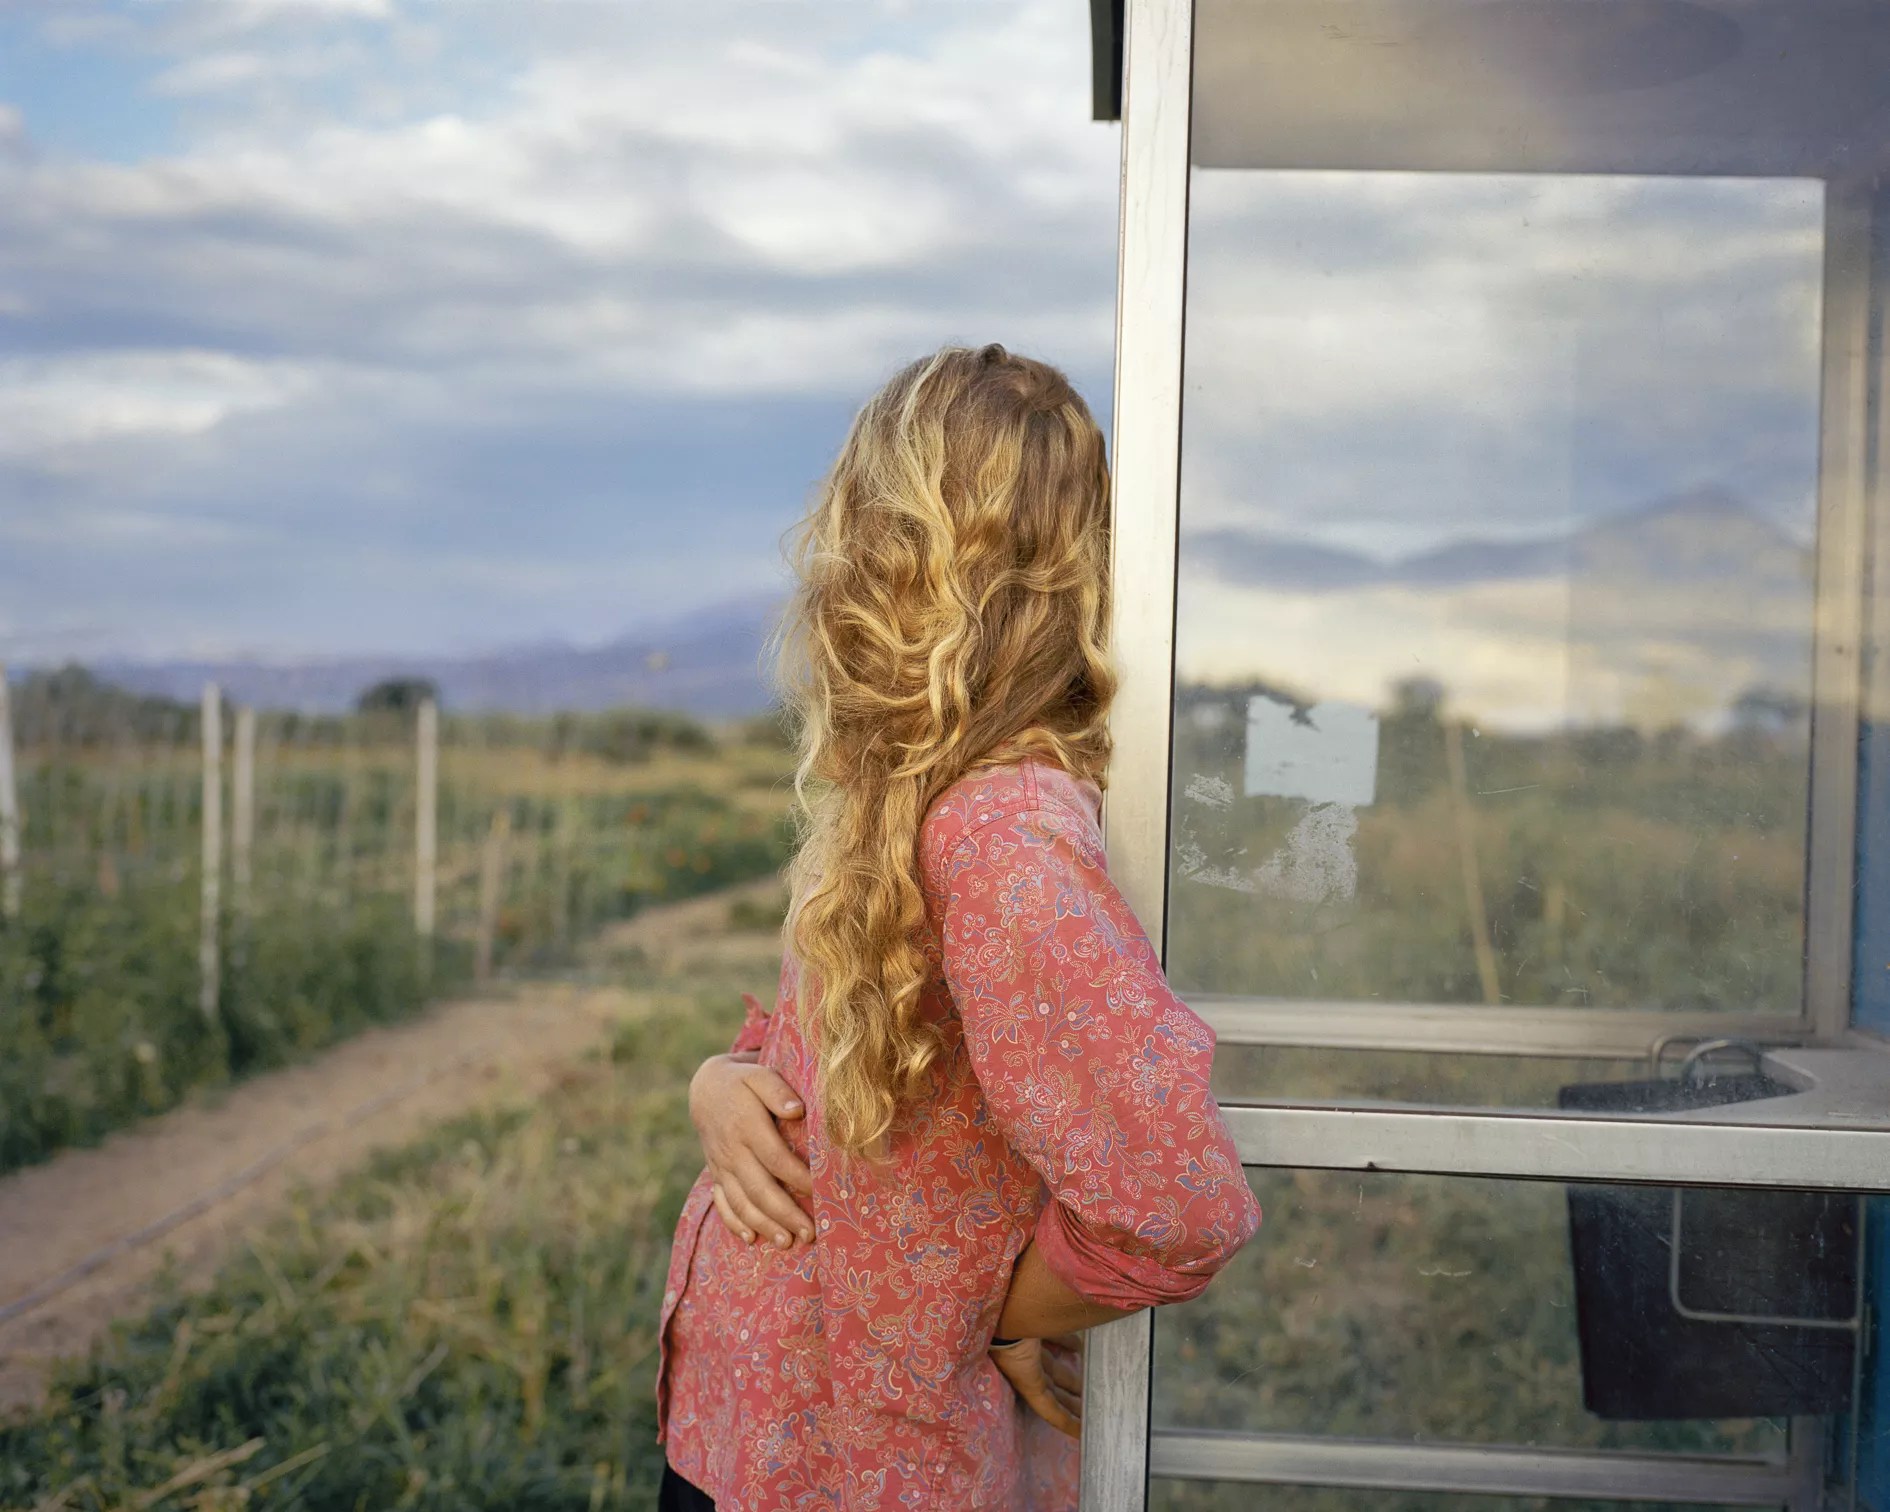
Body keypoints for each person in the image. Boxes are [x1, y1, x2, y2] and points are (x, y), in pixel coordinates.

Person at [654, 343, 1261, 1510]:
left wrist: (998, 1304)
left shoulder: (999, 836)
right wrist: (722, 1083)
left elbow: (1176, 1198)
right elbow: (858, 1069)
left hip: (858, 1468)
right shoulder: (915, 793)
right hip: (754, 1422)